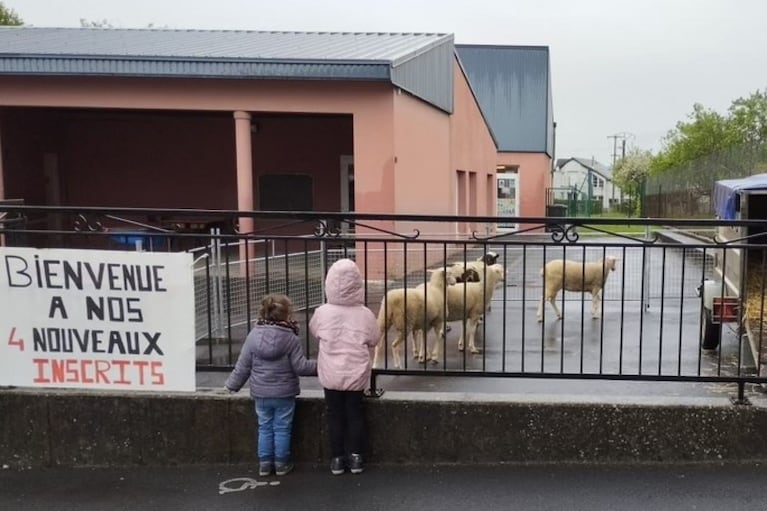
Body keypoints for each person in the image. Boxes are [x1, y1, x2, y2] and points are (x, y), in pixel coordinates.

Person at [225, 294, 317, 477]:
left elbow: (243, 366)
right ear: (287, 314)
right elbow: (300, 367)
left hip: (261, 393)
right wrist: (323, 366)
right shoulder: (290, 338)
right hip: (284, 393)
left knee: (265, 427)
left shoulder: (253, 337)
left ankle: (265, 464)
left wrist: (232, 385)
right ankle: (281, 463)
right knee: (282, 428)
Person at [309, 258, 379, 475]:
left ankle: (338, 458)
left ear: (329, 283)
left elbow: (314, 330)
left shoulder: (322, 312)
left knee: (334, 415)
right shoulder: (365, 314)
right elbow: (374, 339)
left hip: (330, 374)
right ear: (358, 285)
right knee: (355, 414)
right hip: (355, 374)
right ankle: (356, 457)